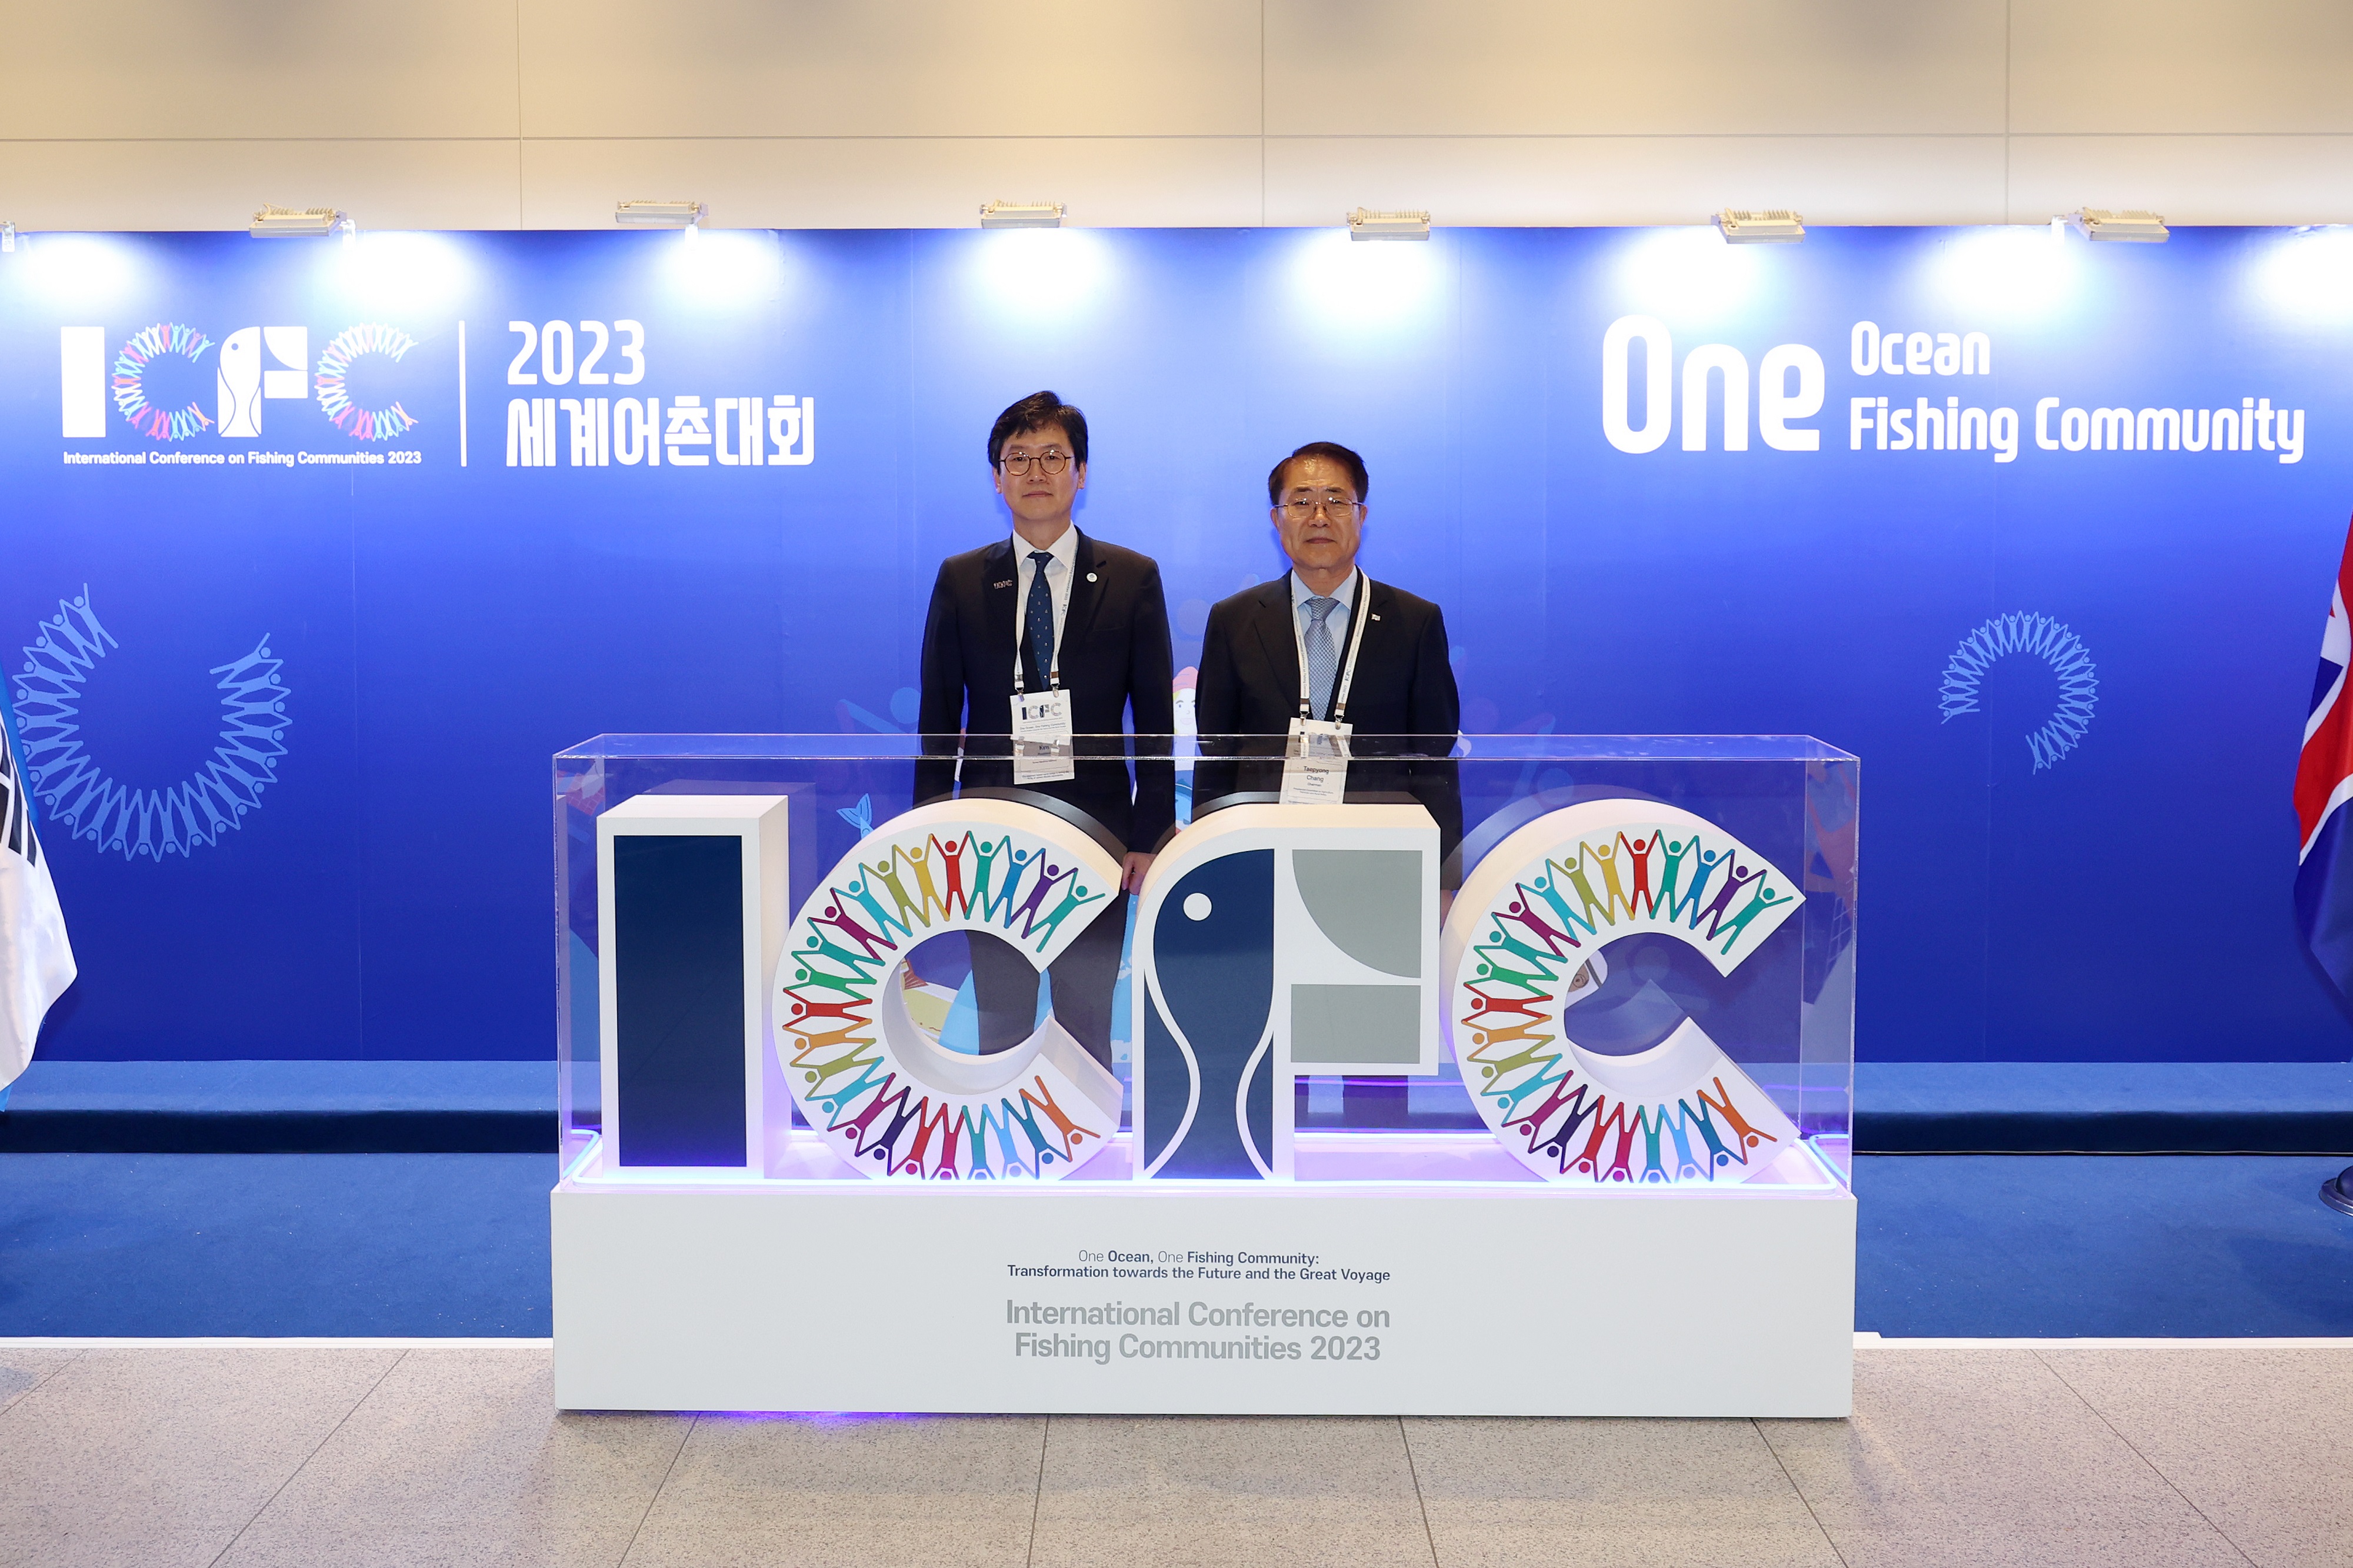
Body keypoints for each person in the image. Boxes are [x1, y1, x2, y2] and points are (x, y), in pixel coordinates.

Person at [915, 391, 1174, 1070]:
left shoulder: (1132, 578)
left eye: (1053, 456)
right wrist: (930, 836)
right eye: (1019, 458)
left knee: (1084, 1019)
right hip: (989, 836)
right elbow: (938, 721)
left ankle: (1083, 1132)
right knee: (1000, 1016)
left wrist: (1148, 835)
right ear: (997, 477)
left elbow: (1154, 722)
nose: (1036, 471)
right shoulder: (961, 579)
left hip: (1099, 835)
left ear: (1080, 473)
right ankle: (1002, 1138)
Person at [1191, 440, 1462, 865]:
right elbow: (1215, 757)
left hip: (1381, 853)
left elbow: (1435, 762)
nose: (1319, 517)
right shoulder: (1234, 620)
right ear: (1277, 520)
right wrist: (1208, 859)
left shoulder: (1415, 622)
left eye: (1336, 501)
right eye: (1301, 502)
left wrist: (1444, 873)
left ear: (1361, 516)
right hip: (1260, 851)